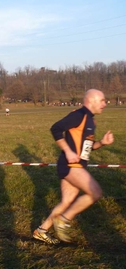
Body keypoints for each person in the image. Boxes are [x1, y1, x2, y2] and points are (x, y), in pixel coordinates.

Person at [33, 89, 114, 244]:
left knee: (66, 202)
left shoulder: (90, 120)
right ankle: (63, 220)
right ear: (91, 101)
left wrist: (102, 143)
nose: (105, 104)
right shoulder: (78, 115)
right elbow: (55, 128)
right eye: (102, 100)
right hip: (71, 165)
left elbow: (87, 147)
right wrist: (68, 151)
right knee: (95, 192)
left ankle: (41, 231)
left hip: (77, 165)